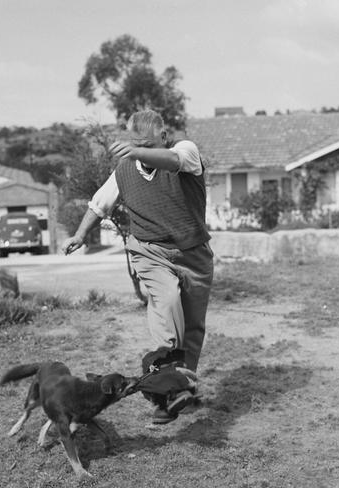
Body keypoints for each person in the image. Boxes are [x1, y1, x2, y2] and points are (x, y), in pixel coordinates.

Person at [61, 109, 214, 424]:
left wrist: (138, 152)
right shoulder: (125, 169)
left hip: (193, 253)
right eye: (134, 144)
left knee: (193, 329)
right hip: (149, 251)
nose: (139, 151)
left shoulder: (186, 151)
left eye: (146, 145)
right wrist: (79, 234)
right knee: (167, 305)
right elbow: (99, 204)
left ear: (163, 136)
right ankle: (165, 393)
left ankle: (179, 390)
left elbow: (172, 162)